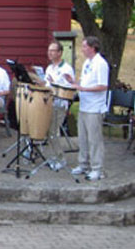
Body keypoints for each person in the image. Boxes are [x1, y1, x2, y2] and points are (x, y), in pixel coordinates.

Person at [69, 36, 109, 181]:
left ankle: (97, 168)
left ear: (93, 48)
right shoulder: (87, 62)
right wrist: (74, 82)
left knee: (94, 139)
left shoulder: (101, 63)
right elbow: (84, 81)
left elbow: (103, 85)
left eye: (85, 46)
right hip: (84, 106)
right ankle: (83, 164)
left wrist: (82, 88)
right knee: (83, 138)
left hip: (95, 107)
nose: (83, 49)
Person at [34, 41, 75, 164]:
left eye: (53, 51)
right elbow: (47, 85)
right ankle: (54, 156)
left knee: (53, 131)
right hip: (49, 102)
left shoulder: (66, 69)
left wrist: (54, 82)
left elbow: (69, 88)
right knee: (47, 130)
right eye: (49, 50)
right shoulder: (49, 68)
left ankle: (60, 158)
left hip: (60, 103)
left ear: (60, 53)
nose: (50, 53)